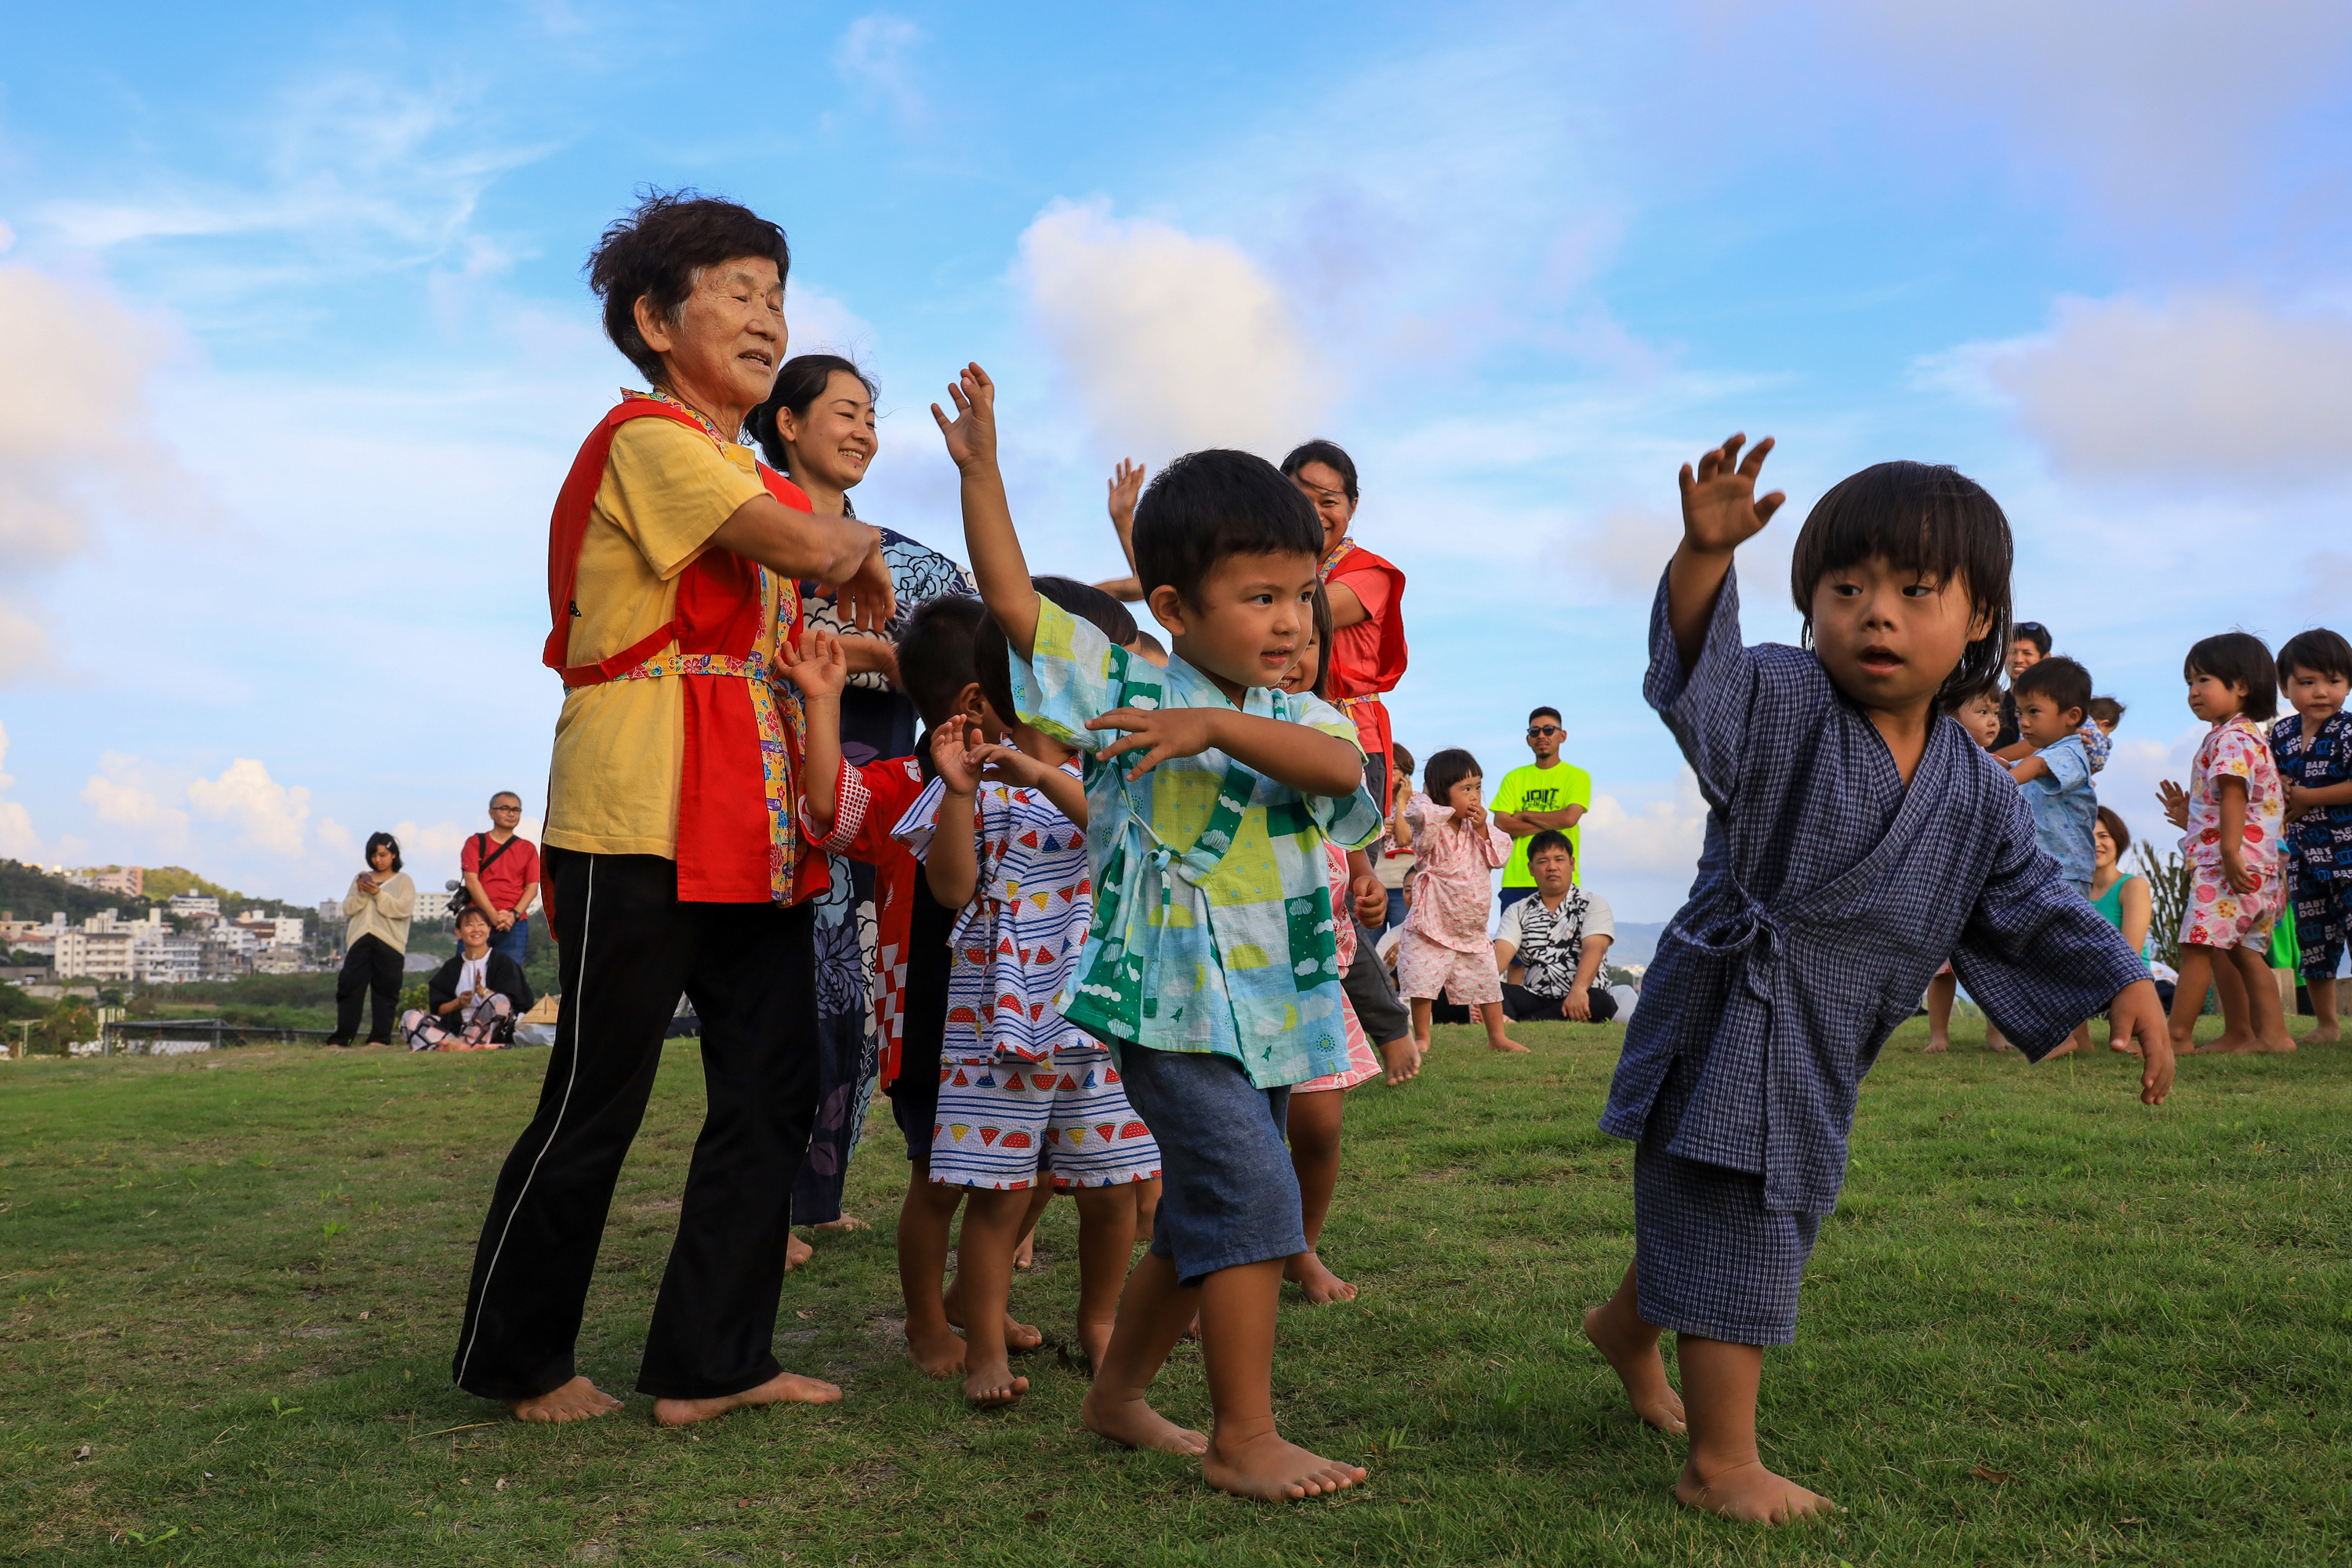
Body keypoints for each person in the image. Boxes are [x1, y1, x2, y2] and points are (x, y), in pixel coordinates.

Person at [1581, 434, 2169, 1524]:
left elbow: (2029, 899)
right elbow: (1702, 684)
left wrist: (2119, 974)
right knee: (1743, 1210)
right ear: (1810, 603)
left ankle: (1626, 1327)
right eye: (1846, 589)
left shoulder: (1977, 787)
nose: (1877, 615)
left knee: (1749, 1201)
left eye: (1915, 590)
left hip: (1829, 1030)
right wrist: (1705, 558)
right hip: (1734, 1006)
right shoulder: (1786, 695)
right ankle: (1722, 1463)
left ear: (1981, 618)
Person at [451, 191, 896, 1430]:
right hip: (633, 812)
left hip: (747, 817)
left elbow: (793, 626)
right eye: (737, 293)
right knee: (598, 1094)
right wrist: (854, 550)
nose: (767, 319)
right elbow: (812, 553)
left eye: (776, 296)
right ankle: (519, 1362)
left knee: (775, 1081)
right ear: (656, 321)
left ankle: (714, 1361)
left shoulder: (740, 468)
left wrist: (893, 651)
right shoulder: (647, 437)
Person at [938, 361, 1381, 1499]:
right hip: (1170, 1009)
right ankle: (1244, 1436)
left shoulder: (1304, 715)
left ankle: (1118, 1394)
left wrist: (1214, 730)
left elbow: (1343, 774)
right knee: (1254, 1202)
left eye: (1302, 595)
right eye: (1260, 596)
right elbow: (1016, 607)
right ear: (1175, 610)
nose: (1289, 621)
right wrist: (983, 475)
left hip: (1275, 1012)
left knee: (1197, 1219)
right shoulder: (1123, 692)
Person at [892, 578, 1159, 1406]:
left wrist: (1041, 772)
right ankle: (983, 1347)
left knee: (1113, 1192)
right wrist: (960, 791)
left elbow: (1113, 834)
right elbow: (950, 888)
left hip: (1101, 1018)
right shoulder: (971, 777)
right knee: (997, 1195)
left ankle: (1101, 1319)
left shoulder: (1117, 774)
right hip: (995, 1021)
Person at [749, 352, 977, 1261]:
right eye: (844, 412)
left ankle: (819, 1194)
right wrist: (868, 655)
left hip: (881, 804)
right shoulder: (747, 532)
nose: (863, 432)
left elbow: (970, 664)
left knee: (855, 1004)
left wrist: (879, 659)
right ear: (787, 422)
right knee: (774, 1002)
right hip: (766, 790)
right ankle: (762, 1203)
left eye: (871, 419)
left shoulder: (912, 561)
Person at [2158, 632, 2292, 1057]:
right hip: (2259, 866)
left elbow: (2234, 795)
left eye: (2204, 680)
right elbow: (2237, 805)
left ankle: (2176, 1036)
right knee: (2244, 953)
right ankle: (2269, 1035)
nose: (2194, 692)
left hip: (2230, 866)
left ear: (2242, 686)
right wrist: (2190, 814)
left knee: (2197, 945)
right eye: (2189, 682)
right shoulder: (2245, 735)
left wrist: (2230, 853)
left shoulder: (2230, 738)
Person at [1398, 750, 1525, 1054]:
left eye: (1478, 787)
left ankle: (1497, 1036)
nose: (1474, 796)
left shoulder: (1477, 829)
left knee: (1487, 982)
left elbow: (1500, 856)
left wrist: (1482, 827)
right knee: (1423, 980)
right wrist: (1433, 797)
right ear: (1441, 791)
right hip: (1432, 921)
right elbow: (1419, 812)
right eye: (1465, 789)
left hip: (1471, 926)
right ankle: (1422, 1036)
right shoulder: (1431, 820)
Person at [2270, 628, 2352, 1045]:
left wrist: (2308, 797)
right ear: (2285, 687)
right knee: (2314, 941)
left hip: (2348, 855)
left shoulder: (2348, 730)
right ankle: (2327, 1025)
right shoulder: (2280, 734)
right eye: (2307, 682)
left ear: (2348, 685)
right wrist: (2284, 788)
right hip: (2303, 859)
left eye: (2333, 681)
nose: (2321, 692)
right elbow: (2272, 781)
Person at [1922, 672, 2004, 1053]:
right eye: (1983, 711)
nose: (1993, 720)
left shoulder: (1999, 768)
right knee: (1941, 967)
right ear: (1951, 716)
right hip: (1942, 880)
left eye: (1996, 712)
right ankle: (1939, 1033)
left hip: (1984, 880)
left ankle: (1996, 1032)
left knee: (1993, 961)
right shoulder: (1935, 763)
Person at [1494, 829, 1618, 1022]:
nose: (1552, 867)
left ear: (1572, 864)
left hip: (1582, 994)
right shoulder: (1517, 910)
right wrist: (1483, 989)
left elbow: (1594, 949)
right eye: (1543, 861)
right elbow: (1502, 952)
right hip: (1535, 995)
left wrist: (1578, 990)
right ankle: (1514, 1019)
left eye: (1559, 860)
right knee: (1494, 990)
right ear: (1531, 868)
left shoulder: (1593, 904)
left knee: (1601, 1002)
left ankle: (1517, 1022)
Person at [1492, 706, 1593, 908]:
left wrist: (1523, 814)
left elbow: (1569, 819)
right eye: (1534, 731)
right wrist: (1554, 821)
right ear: (1528, 739)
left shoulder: (1577, 777)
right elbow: (1502, 823)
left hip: (1561, 880)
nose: (1541, 736)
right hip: (1518, 881)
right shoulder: (1514, 778)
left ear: (1562, 736)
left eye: (1548, 730)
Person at [404, 905, 537, 1051]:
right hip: (456, 1029)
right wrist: (458, 1003)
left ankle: (448, 1046)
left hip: (491, 1031)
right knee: (409, 1017)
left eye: (481, 924)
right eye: (469, 925)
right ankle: (459, 1044)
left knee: (497, 1000)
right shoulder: (451, 967)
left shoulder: (503, 962)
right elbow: (438, 1009)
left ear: (489, 930)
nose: (476, 929)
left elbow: (512, 1005)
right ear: (459, 933)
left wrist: (484, 993)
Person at [329, 833, 414, 1047]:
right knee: (349, 988)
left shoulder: (403, 880)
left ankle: (379, 1038)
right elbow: (348, 908)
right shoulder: (361, 878)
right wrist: (362, 893)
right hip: (360, 939)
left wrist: (378, 894)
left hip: (390, 942)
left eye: (383, 855)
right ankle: (342, 1037)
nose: (378, 860)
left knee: (386, 991)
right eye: (374, 855)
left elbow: (403, 909)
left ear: (393, 855)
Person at [460, 793, 541, 971]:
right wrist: (492, 915)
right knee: (469, 975)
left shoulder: (528, 849)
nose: (511, 814)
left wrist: (513, 915)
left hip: (514, 925)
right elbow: (471, 882)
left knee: (508, 978)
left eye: (516, 810)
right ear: (491, 813)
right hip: (477, 920)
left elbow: (532, 888)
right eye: (505, 809)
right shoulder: (476, 843)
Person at [1372, 742, 1415, 931]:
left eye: (1395, 768)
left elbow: (1404, 838)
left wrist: (1401, 800)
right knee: (1371, 946)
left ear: (1406, 774)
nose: (1389, 772)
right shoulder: (1372, 802)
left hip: (1402, 886)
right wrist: (1378, 831)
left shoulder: (1417, 802)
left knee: (1403, 942)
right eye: (1385, 766)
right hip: (1376, 884)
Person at [1992, 619, 2049, 750]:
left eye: (2027, 653)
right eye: (2012, 652)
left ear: (2046, 659)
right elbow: (1986, 756)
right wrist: (2057, 737)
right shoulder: (1992, 705)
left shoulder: (2061, 702)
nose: (2018, 660)